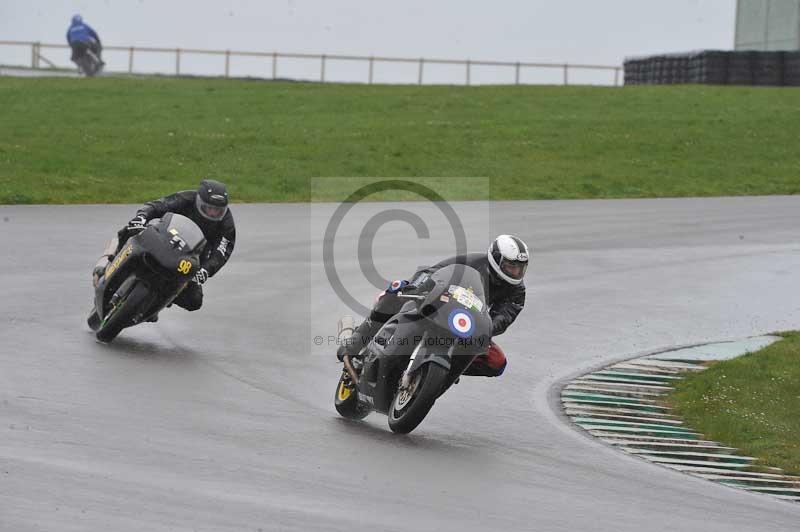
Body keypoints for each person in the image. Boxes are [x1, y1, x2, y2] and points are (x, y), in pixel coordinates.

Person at [337, 234, 529, 377]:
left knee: (497, 362)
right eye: (510, 266)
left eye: (519, 268)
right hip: (438, 305)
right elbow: (434, 271)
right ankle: (356, 340)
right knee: (396, 289)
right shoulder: (473, 261)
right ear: (495, 259)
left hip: (465, 325)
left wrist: (485, 330)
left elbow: (503, 318)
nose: (515, 272)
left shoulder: (517, 291)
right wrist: (417, 286)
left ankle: (444, 371)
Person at [92, 179, 236, 313]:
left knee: (194, 301)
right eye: (209, 208)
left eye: (217, 210)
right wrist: (142, 217)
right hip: (164, 238)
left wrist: (206, 270)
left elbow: (221, 252)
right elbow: (158, 205)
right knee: (128, 232)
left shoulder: (226, 224)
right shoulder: (186, 198)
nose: (212, 213)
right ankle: (107, 264)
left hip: (191, 257)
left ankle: (156, 303)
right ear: (199, 201)